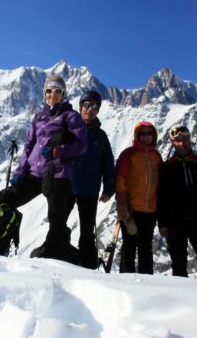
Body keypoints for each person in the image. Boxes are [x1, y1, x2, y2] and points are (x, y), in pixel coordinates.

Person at [0, 75, 86, 263]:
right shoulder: (38, 116)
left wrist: (56, 151)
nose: (53, 94)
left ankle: (56, 257)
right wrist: (20, 172)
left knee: (56, 220)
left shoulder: (71, 116)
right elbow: (28, 146)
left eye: (58, 91)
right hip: (34, 174)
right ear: (45, 93)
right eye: (50, 91)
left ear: (63, 94)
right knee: (6, 199)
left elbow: (81, 145)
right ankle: (0, 243)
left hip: (57, 173)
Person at [158, 125, 197, 279]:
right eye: (177, 140)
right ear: (172, 143)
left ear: (190, 139)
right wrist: (163, 222)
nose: (181, 143)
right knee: (178, 265)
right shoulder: (167, 168)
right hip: (175, 223)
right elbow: (161, 196)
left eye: (184, 139)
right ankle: (183, 300)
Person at [66, 90, 116, 269]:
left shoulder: (100, 137)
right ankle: (58, 256)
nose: (90, 109)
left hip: (89, 189)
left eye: (95, 106)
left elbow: (108, 163)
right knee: (59, 223)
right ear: (80, 107)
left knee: (87, 231)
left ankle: (88, 265)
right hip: (67, 186)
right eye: (87, 105)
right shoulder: (69, 128)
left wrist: (109, 188)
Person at [115, 121, 162, 274]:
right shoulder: (129, 154)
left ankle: (147, 281)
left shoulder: (156, 156)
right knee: (129, 245)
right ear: (137, 135)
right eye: (143, 133)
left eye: (149, 133)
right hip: (131, 208)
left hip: (150, 210)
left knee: (145, 247)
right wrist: (122, 203)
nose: (146, 136)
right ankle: (126, 280)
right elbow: (120, 179)